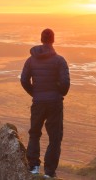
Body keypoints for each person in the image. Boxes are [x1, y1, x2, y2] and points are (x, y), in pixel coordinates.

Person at [20, 28, 70, 178]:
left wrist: (35, 93)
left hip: (38, 102)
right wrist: (59, 92)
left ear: (41, 39)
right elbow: (65, 84)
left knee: (34, 133)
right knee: (55, 137)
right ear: (53, 40)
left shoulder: (31, 60)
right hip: (55, 103)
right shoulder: (59, 60)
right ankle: (49, 173)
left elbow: (23, 80)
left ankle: (34, 167)